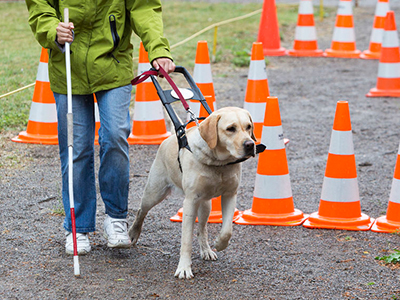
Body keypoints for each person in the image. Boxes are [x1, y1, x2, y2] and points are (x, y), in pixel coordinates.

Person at [25, 0, 175, 255]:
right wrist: (53, 31)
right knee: (77, 147)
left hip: (113, 66)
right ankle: (77, 227)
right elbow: (40, 8)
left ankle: (116, 218)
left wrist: (158, 48)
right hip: (68, 67)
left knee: (115, 135)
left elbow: (144, 7)